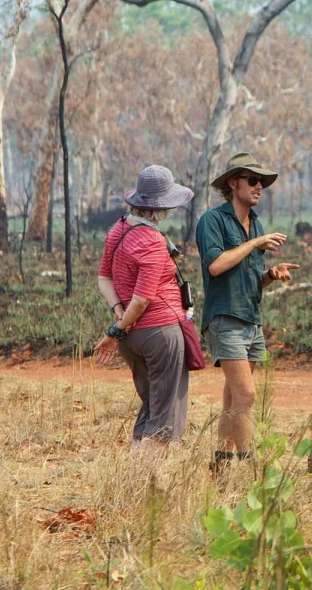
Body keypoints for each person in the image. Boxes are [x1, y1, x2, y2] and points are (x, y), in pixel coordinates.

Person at [196, 152, 298, 472]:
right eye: (253, 180)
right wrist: (254, 245)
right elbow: (215, 266)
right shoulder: (213, 221)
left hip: (251, 319)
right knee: (247, 396)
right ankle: (256, 472)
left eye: (262, 183)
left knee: (233, 399)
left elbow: (250, 278)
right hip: (225, 318)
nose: (258, 187)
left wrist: (271, 274)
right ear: (233, 182)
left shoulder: (256, 225)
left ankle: (223, 465)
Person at [93, 165, 196, 444]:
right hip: (160, 332)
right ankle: (149, 483)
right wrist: (116, 331)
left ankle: (133, 480)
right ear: (161, 207)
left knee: (151, 407)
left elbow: (104, 278)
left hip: (132, 337)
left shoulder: (119, 228)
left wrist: (119, 317)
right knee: (165, 418)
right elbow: (141, 300)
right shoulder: (151, 240)